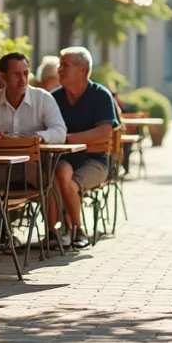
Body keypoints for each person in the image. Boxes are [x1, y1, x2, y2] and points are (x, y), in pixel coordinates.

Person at [48, 47, 119, 250]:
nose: (59, 70)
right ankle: (60, 232)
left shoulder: (100, 95)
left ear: (83, 70)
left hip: (95, 161)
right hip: (64, 159)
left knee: (68, 183)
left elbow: (104, 133)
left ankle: (75, 230)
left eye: (65, 65)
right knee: (59, 173)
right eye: (59, 65)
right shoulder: (54, 98)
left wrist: (67, 139)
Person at [0, 52, 66, 190]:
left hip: (35, 166)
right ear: (3, 77)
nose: (23, 80)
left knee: (50, 182)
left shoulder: (43, 98)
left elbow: (60, 132)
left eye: (26, 73)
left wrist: (35, 138)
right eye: (16, 75)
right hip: (1, 166)